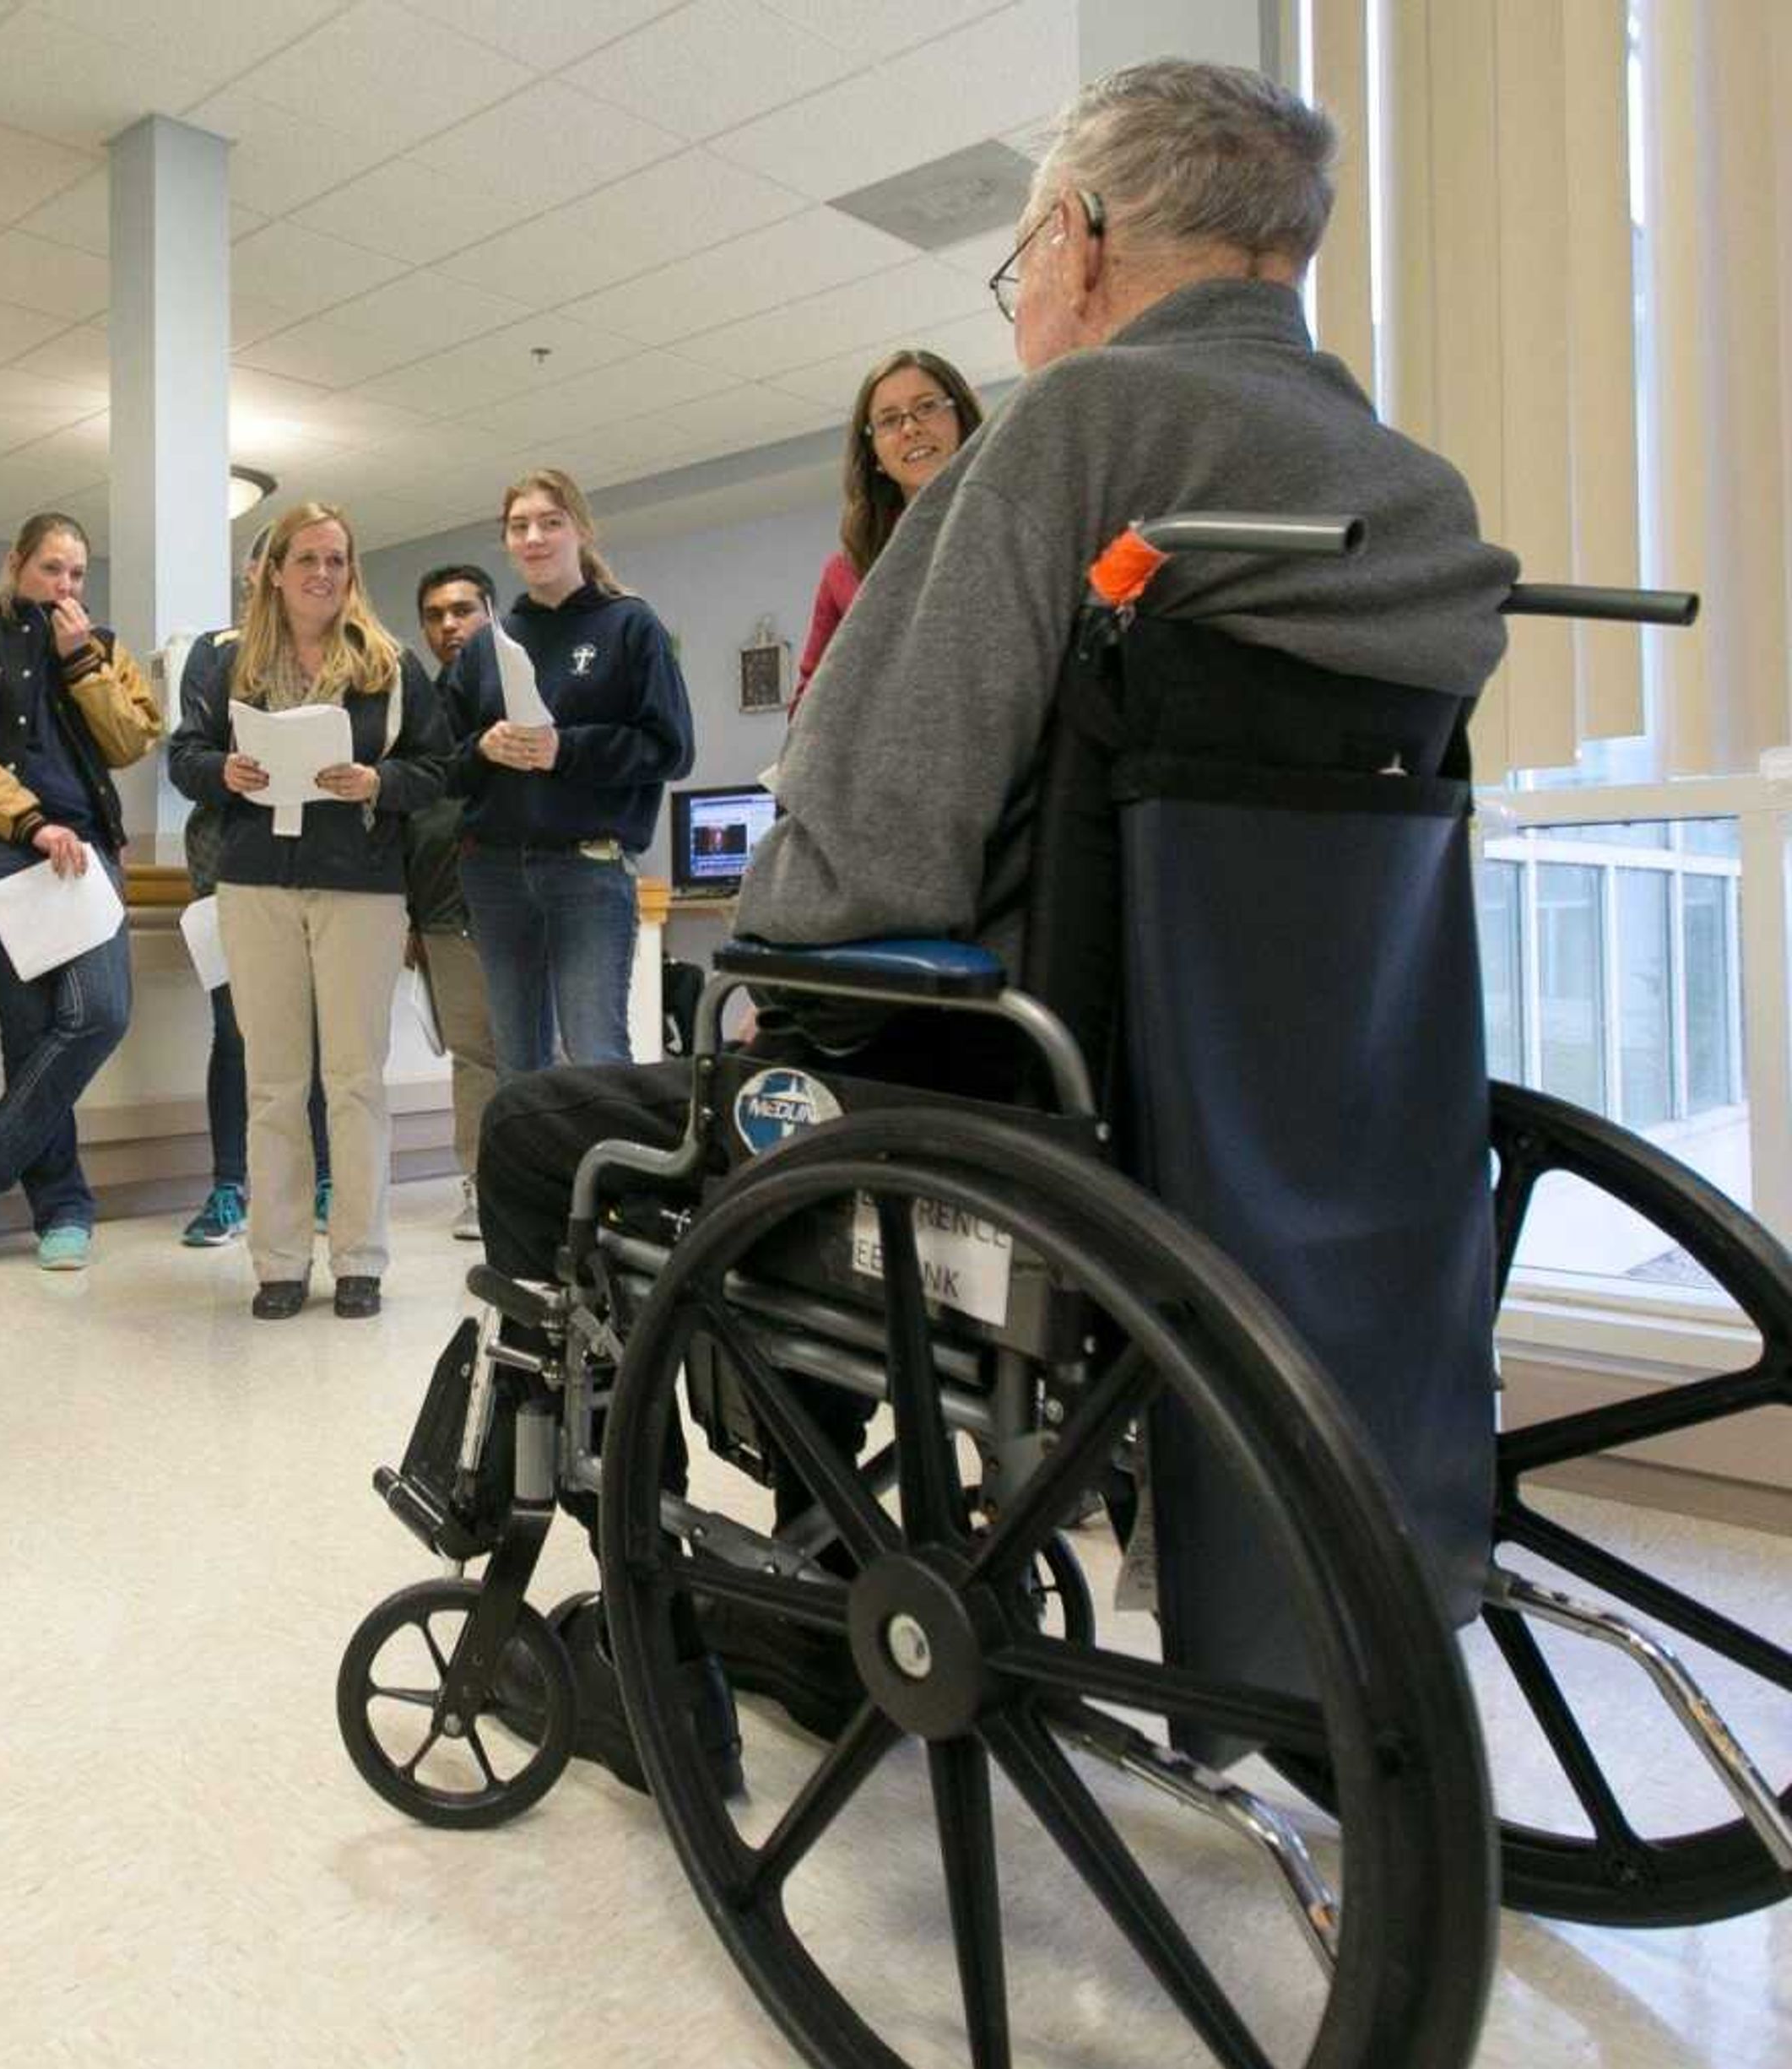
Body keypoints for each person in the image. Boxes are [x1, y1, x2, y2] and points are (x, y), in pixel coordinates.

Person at [463, 60, 1516, 1651]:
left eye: (1023, 265)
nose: (1026, 304)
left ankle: (686, 1578)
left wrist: (767, 976)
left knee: (562, 1126)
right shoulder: (1413, 494)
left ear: (1082, 242)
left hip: (1025, 1111)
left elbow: (864, 845)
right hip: (1310, 1124)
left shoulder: (1075, 430)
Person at [168, 502, 447, 1320]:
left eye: (337, 560)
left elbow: (437, 766)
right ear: (275, 572)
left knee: (355, 1078)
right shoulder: (227, 664)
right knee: (274, 1082)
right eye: (307, 560)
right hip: (255, 883)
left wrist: (380, 783)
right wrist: (224, 769)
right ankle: (279, 1260)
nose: (323, 573)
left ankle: (359, 1257)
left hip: (359, 883)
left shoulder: (388, 664)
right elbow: (183, 755)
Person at [0, 512, 164, 1270]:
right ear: (16, 563)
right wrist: (28, 823)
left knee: (101, 1015)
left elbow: (131, 740)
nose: (65, 586)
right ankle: (63, 1207)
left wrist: (81, 662)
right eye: (51, 568)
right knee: (30, 1035)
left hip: (85, 856)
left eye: (77, 574)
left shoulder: (103, 648)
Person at [441, 468, 693, 1075]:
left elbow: (671, 749)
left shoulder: (631, 626)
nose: (535, 537)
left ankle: (610, 1176)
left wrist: (566, 750)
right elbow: (441, 767)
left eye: (550, 523)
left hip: (588, 869)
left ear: (580, 530)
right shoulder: (485, 647)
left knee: (596, 1055)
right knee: (518, 1063)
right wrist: (483, 749)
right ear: (505, 541)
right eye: (519, 526)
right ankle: (535, 1175)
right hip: (496, 872)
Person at [171, 532, 330, 1248]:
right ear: (255, 573)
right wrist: (222, 771)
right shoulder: (216, 653)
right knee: (237, 1033)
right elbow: (185, 757)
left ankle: (326, 1182)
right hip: (231, 865)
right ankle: (230, 1187)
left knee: (327, 1036)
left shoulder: (343, 649)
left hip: (325, 870)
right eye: (279, 564)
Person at [795, 349, 986, 704]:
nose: (911, 428)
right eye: (888, 420)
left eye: (927, 406)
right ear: (875, 454)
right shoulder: (845, 572)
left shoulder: (1014, 527)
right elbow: (809, 711)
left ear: (960, 416)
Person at [407, 564, 504, 1238]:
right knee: (473, 1055)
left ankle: (547, 1182)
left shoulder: (521, 694)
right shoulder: (420, 711)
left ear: (491, 615)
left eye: (464, 610)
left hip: (521, 897)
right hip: (443, 909)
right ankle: (482, 1185)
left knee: (536, 1049)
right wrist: (410, 912)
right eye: (437, 615)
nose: (451, 625)